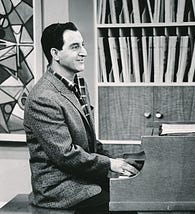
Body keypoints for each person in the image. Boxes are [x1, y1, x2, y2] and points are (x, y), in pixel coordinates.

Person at [23, 22, 139, 213]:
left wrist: (120, 159)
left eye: (82, 45)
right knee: (124, 206)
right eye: (75, 47)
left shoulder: (78, 85)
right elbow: (65, 155)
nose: (84, 52)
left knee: (134, 195)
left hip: (83, 179)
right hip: (60, 189)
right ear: (55, 54)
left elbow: (88, 141)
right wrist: (111, 164)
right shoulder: (42, 97)